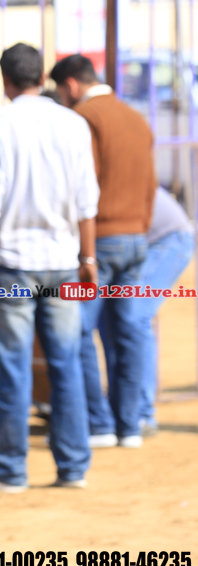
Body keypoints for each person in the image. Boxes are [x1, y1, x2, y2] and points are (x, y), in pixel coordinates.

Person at [0, 43, 99, 492]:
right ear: (42, 78)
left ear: (5, 80)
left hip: (13, 265)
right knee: (66, 364)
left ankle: (9, 468)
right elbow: (86, 200)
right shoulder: (74, 122)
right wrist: (88, 258)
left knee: (11, 366)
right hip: (63, 263)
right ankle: (73, 467)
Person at [52, 53, 157, 448]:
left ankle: (98, 424)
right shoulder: (135, 117)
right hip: (136, 238)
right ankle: (129, 426)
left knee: (79, 333)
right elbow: (151, 185)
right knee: (130, 332)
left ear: (71, 85)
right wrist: (139, 228)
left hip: (99, 242)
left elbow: (84, 189)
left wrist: (86, 253)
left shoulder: (83, 118)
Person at [100, 187, 194, 436]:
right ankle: (120, 410)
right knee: (108, 320)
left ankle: (140, 414)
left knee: (133, 316)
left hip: (167, 238)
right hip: (129, 243)